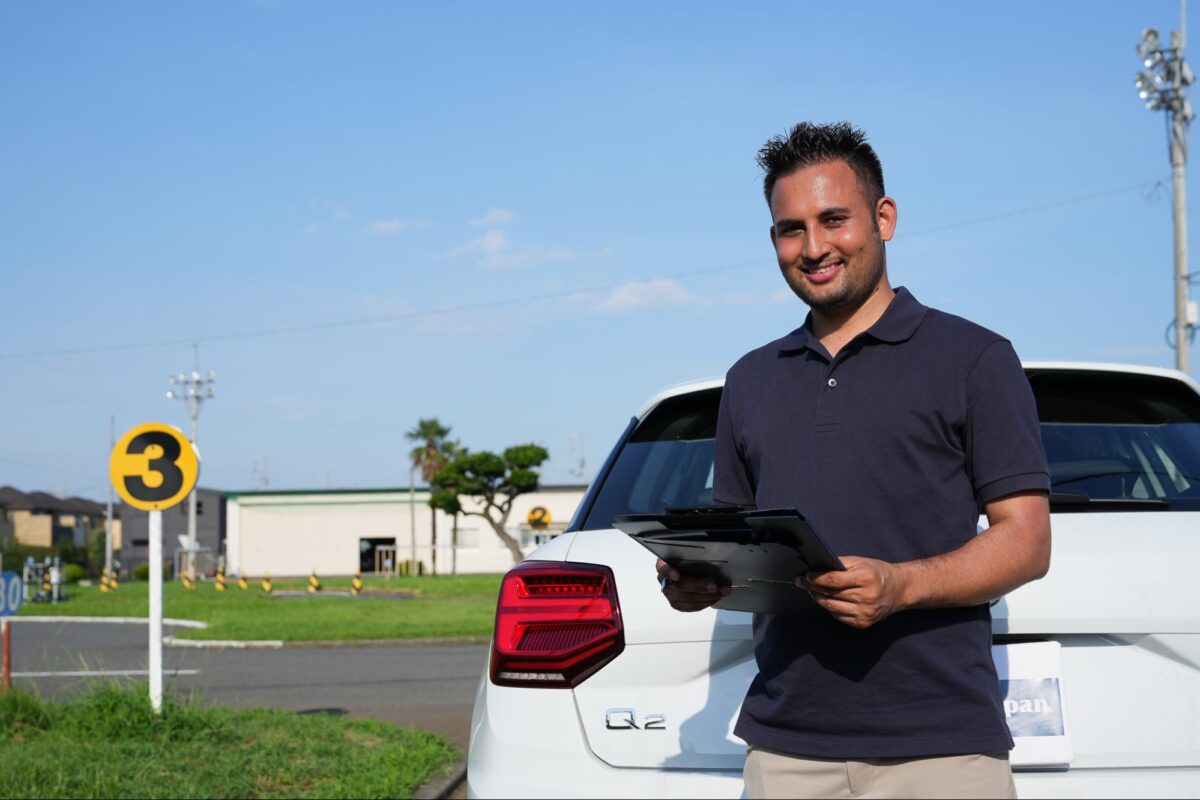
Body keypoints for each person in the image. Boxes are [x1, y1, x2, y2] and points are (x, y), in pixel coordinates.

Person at [657, 122, 1051, 799]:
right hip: (784, 749)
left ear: (884, 218)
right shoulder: (750, 379)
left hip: (941, 751)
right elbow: (735, 543)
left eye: (833, 220)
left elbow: (1027, 541)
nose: (813, 248)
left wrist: (901, 585)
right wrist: (692, 580)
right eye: (791, 228)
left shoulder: (975, 359)